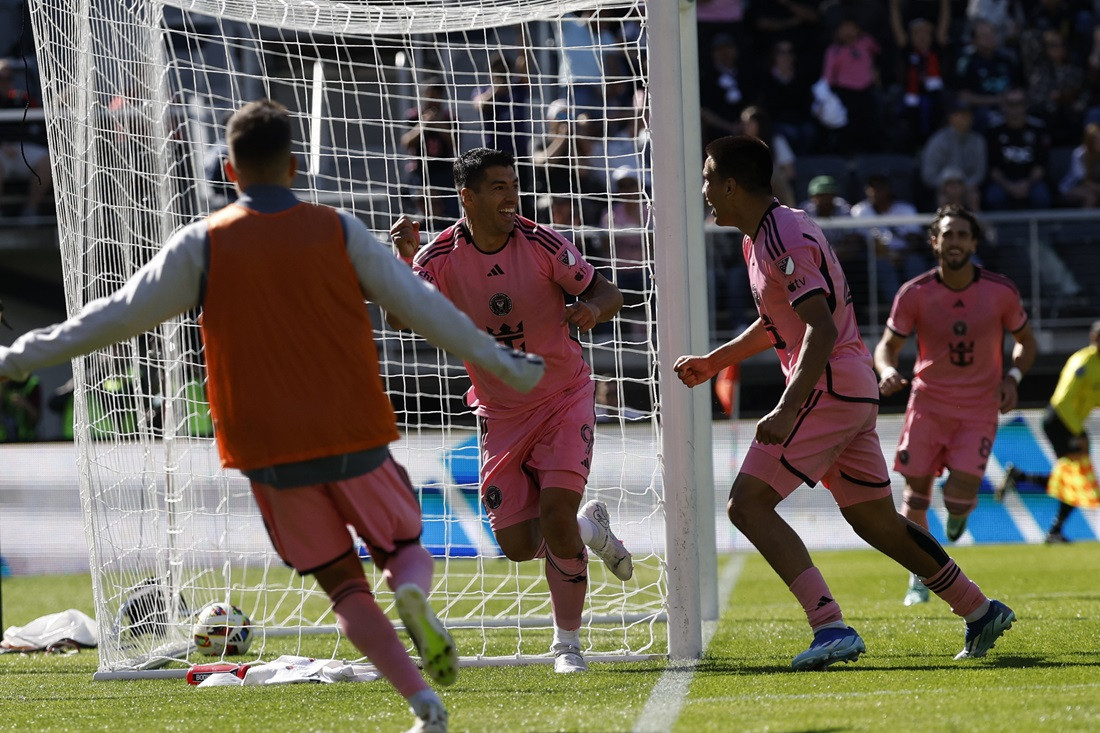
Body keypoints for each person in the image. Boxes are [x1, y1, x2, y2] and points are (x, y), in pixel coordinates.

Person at [0, 100, 550, 733]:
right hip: (351, 427)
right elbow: (424, 308)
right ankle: (410, 592)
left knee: (343, 588)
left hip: (267, 448)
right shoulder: (338, 230)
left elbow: (112, 317)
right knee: (402, 548)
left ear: (231, 172)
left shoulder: (203, 244)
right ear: (293, 166)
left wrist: (15, 358)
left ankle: (424, 705)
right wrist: (504, 363)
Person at [676, 135, 1016, 669]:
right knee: (877, 522)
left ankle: (829, 625)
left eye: (708, 179)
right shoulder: (765, 235)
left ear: (732, 185)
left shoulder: (781, 234)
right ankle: (979, 608)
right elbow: (779, 322)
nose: (704, 191)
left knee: (747, 503)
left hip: (827, 387)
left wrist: (788, 407)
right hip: (847, 386)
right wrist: (716, 361)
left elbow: (820, 328)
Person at [388, 147, 632, 675]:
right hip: (500, 413)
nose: (511, 197)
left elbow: (608, 292)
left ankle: (567, 646)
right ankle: (591, 530)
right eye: (498, 188)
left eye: (513, 185)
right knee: (519, 545)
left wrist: (591, 309)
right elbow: (400, 319)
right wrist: (402, 262)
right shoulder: (439, 256)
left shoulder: (542, 242)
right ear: (468, 197)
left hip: (563, 397)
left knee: (556, 514)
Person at [873, 203, 1037, 606]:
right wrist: (887, 370)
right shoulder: (914, 292)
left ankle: (959, 511)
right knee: (915, 494)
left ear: (974, 243)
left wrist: (1013, 379)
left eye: (963, 234)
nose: (955, 242)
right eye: (948, 234)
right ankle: (919, 575)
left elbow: (1026, 342)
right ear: (935, 242)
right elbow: (887, 347)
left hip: (978, 409)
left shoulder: (1000, 291)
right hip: (927, 404)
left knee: (958, 500)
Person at [999, 321, 1100, 543]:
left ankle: (1021, 477)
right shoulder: (1083, 362)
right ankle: (1055, 529)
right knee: (1077, 479)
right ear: (1095, 339)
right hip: (1059, 422)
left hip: (1071, 426)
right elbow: (1063, 402)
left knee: (1072, 479)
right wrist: (1078, 434)